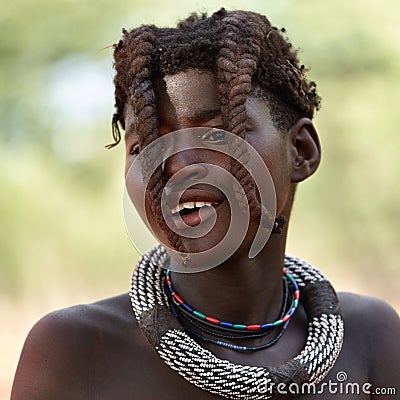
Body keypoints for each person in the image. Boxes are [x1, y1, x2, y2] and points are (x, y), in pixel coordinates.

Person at [11, 9, 400, 400]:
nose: (177, 167)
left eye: (215, 133)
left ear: (300, 151)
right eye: (144, 145)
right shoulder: (77, 350)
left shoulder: (371, 337)